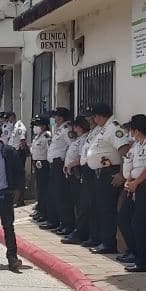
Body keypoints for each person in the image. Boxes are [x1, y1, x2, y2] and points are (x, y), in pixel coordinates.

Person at [82, 104, 130, 254]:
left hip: (111, 172)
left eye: (95, 117)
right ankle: (102, 240)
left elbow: (124, 151)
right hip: (100, 173)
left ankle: (109, 243)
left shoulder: (114, 129)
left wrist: (122, 174)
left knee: (107, 209)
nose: (94, 120)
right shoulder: (104, 129)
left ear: (101, 115)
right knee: (100, 208)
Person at [119, 114, 146, 272]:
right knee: (124, 217)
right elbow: (131, 165)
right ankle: (135, 252)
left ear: (136, 130)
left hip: (145, 186)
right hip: (133, 185)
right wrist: (129, 181)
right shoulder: (136, 145)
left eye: (131, 130)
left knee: (141, 223)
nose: (130, 133)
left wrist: (136, 183)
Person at [0, 122, 24, 272]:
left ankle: (12, 257)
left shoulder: (8, 151)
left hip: (5, 193)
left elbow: (19, 171)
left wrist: (18, 190)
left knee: (8, 226)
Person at [61, 115, 91, 245]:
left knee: (81, 205)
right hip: (71, 173)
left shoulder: (85, 139)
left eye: (76, 126)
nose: (74, 128)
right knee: (75, 203)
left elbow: (81, 157)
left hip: (78, 173)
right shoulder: (78, 139)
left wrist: (70, 165)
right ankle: (76, 229)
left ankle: (81, 232)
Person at [46, 108, 73, 235]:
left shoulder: (66, 129)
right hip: (54, 165)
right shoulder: (59, 129)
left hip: (60, 164)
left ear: (61, 118)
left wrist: (67, 163)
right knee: (55, 194)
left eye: (55, 116)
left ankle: (67, 224)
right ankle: (60, 222)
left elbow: (72, 146)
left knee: (62, 195)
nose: (53, 119)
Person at [31, 117, 52, 228]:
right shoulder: (37, 137)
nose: (35, 127)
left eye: (38, 125)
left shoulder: (47, 136)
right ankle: (40, 210)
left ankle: (45, 212)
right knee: (39, 188)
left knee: (44, 189)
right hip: (37, 163)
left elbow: (49, 150)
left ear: (44, 126)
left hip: (44, 164)